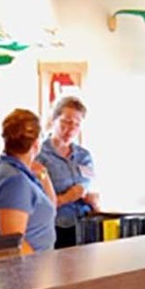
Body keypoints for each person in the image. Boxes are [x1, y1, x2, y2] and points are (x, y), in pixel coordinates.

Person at [0, 108, 56, 254]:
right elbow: (14, 244)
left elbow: (51, 207)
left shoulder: (14, 172)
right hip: (26, 273)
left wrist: (43, 174)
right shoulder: (15, 182)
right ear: (36, 144)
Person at [36, 95, 99, 248]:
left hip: (84, 225)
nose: (71, 129)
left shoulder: (84, 156)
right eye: (66, 122)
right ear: (53, 120)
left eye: (77, 124)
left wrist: (93, 200)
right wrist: (66, 197)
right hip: (54, 228)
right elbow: (37, 201)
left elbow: (87, 187)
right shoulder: (39, 155)